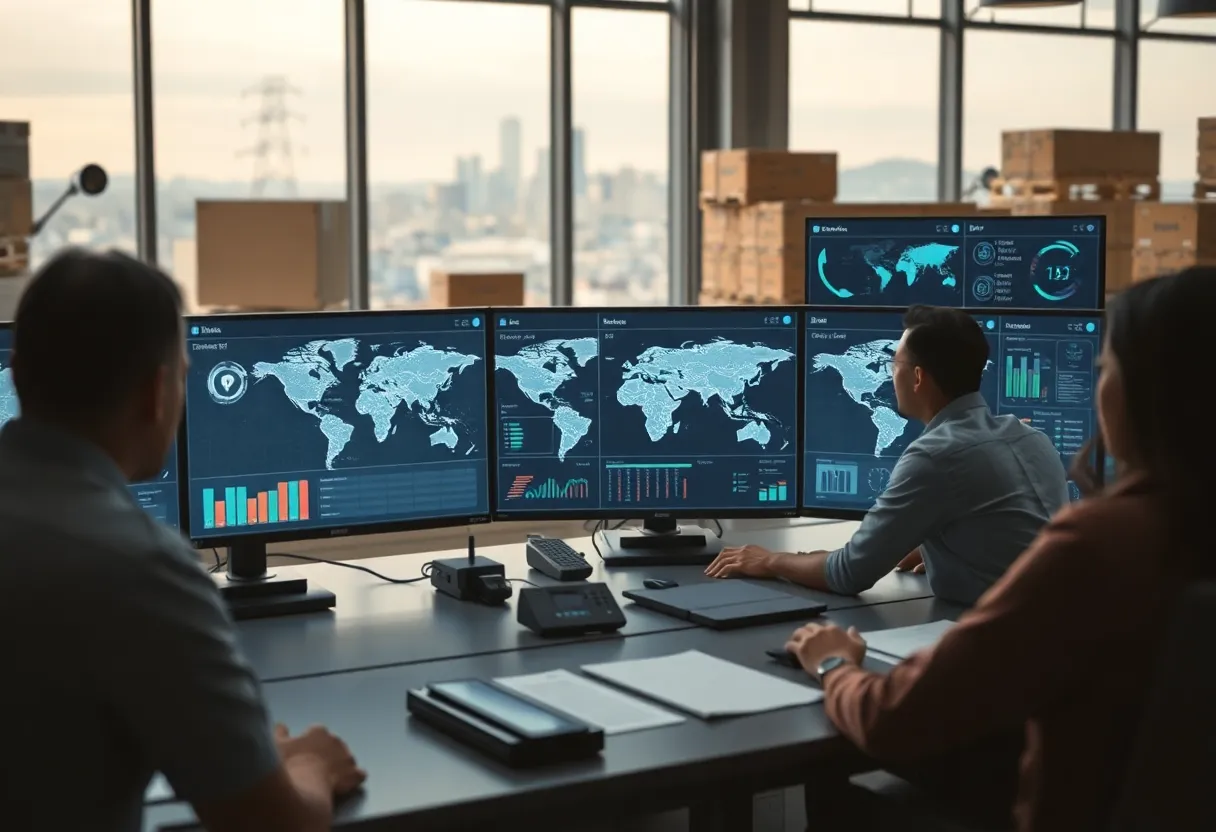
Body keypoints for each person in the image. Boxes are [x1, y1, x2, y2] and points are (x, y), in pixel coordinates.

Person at [785, 266, 1216, 830]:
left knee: (833, 773)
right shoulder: (1171, 529)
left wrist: (835, 663)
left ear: (1151, 395)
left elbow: (895, 718)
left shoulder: (1102, 546)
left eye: (1105, 369)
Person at [0, 249, 365, 832]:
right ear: (158, 394)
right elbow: (274, 825)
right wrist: (308, 766)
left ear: (17, 374)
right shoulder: (139, 568)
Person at [706, 304, 1069, 605]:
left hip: (1005, 642)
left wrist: (769, 560)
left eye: (893, 364)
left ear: (917, 378)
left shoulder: (936, 457)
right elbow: (1010, 533)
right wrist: (942, 546)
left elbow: (848, 574)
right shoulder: (1032, 438)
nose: (889, 374)